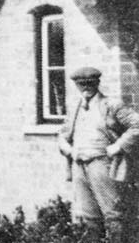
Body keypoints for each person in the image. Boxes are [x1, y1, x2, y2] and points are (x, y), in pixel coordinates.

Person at [58, 66, 139, 243]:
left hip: (102, 164)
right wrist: (67, 148)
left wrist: (118, 146)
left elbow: (137, 125)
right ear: (76, 85)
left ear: (97, 83)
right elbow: (63, 134)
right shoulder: (75, 107)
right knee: (89, 216)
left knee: (113, 214)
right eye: (81, 85)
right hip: (79, 165)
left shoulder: (111, 105)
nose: (86, 88)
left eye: (90, 84)